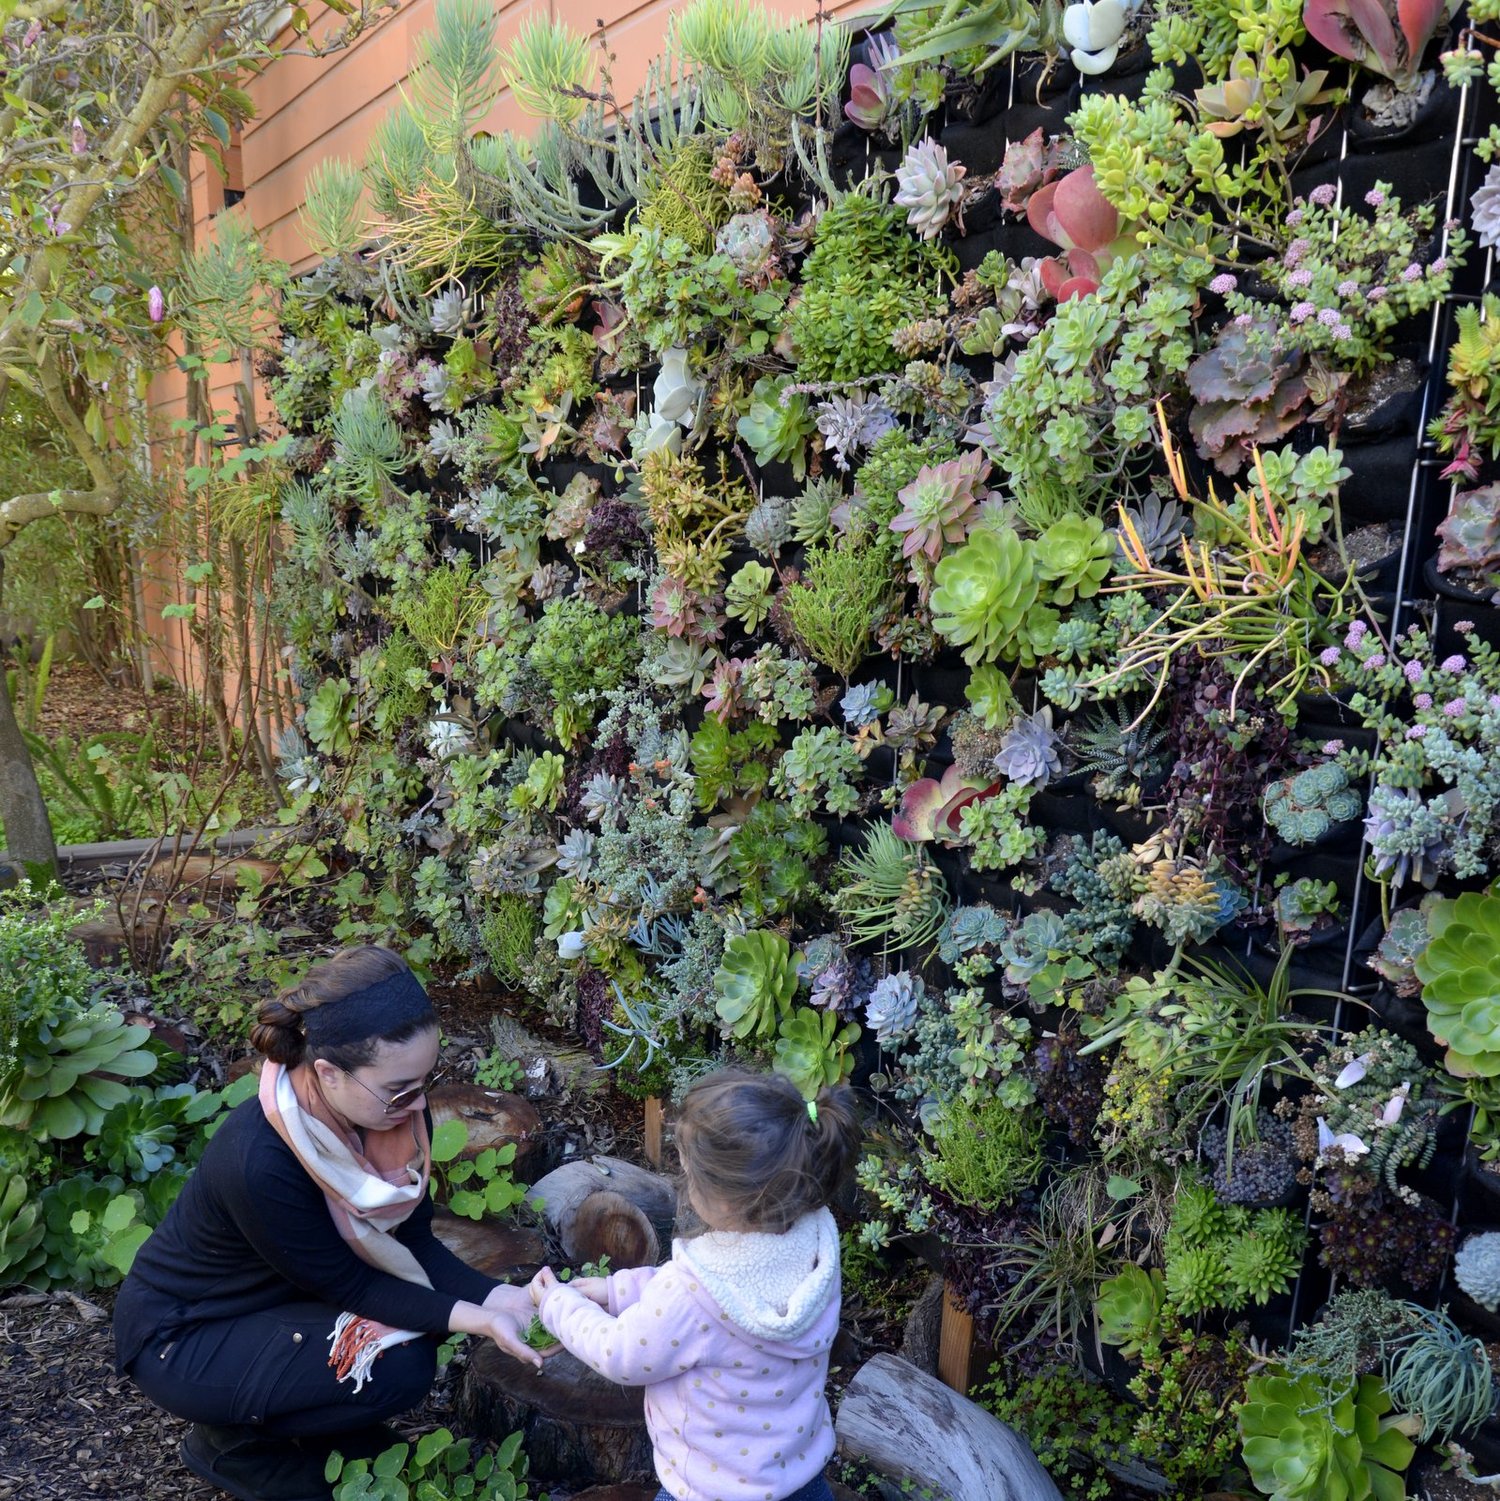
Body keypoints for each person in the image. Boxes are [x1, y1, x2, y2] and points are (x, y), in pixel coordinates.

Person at [114, 945, 551, 1501]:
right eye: (399, 1089)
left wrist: (503, 1300)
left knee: (420, 1325)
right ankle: (233, 1445)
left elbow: (413, 1245)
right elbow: (351, 1284)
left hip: (274, 1300)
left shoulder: (381, 1120)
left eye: (426, 1080)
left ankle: (315, 1421)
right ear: (327, 1072)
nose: (418, 1105)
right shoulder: (261, 1161)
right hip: (185, 1338)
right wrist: (478, 1318)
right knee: (397, 1366)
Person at [527, 1069, 861, 1501]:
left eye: (687, 1173)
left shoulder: (692, 1293)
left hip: (709, 1489)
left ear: (720, 1198)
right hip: (800, 1478)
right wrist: (619, 1291)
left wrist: (558, 1306)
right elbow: (698, 1303)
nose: (683, 1183)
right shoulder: (815, 1245)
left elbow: (620, 1353)